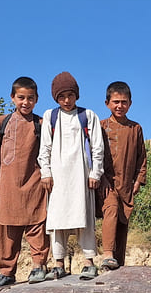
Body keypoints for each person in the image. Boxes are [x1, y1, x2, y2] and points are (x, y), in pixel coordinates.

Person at [38, 72, 104, 279]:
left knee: (85, 218)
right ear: (55, 98)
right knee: (57, 220)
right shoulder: (50, 116)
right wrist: (45, 172)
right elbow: (45, 147)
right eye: (62, 97)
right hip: (57, 177)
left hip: (81, 176)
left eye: (70, 95)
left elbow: (97, 147)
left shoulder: (88, 115)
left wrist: (95, 173)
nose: (66, 100)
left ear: (77, 95)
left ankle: (88, 262)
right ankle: (58, 264)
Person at [0, 76, 48, 289]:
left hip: (34, 183)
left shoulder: (41, 124)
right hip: (8, 183)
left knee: (37, 225)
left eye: (30, 98)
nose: (25, 102)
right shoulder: (3, 122)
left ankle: (38, 266)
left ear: (37, 99)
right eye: (21, 97)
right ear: (12, 97)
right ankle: (6, 272)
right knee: (8, 228)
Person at [98, 81, 147, 270]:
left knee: (123, 219)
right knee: (110, 210)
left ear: (130, 104)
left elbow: (141, 157)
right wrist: (100, 177)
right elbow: (93, 154)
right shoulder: (101, 126)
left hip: (126, 183)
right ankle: (108, 254)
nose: (120, 106)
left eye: (124, 102)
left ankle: (118, 262)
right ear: (107, 103)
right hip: (106, 182)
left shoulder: (136, 129)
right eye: (116, 102)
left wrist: (139, 180)